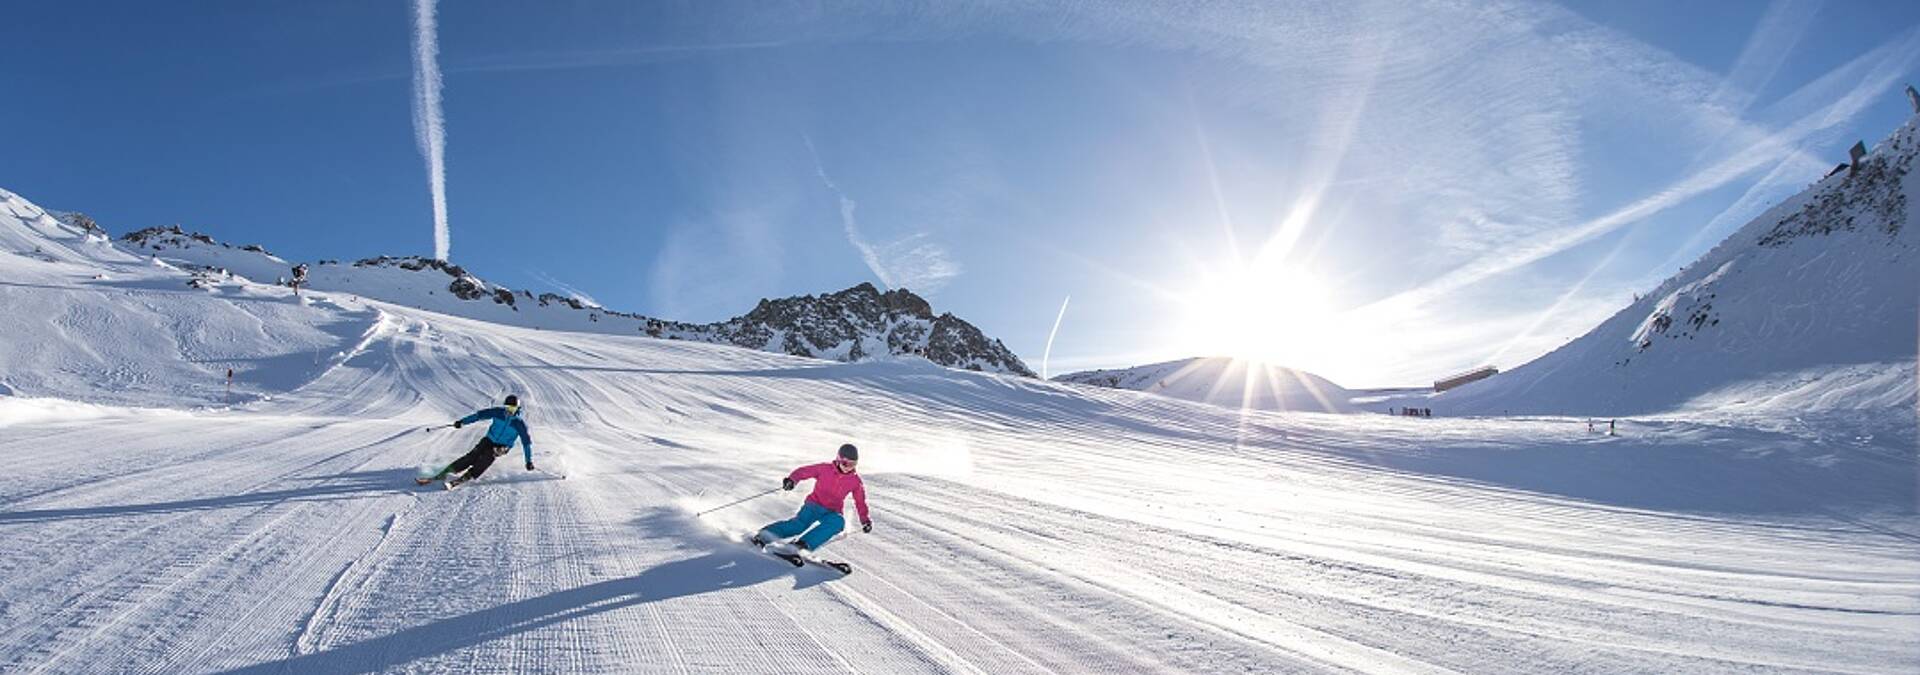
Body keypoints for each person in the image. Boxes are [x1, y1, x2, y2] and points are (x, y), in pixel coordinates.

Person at [752, 443, 872, 553]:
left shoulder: (855, 481)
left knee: (838, 522)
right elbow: (804, 471)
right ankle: (765, 535)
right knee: (799, 526)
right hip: (814, 505)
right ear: (838, 459)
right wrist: (792, 480)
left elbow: (860, 502)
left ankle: (802, 545)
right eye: (846, 463)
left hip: (832, 511)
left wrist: (865, 520)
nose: (849, 467)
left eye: (853, 464)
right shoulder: (825, 469)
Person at [418, 395, 535, 487]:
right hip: (489, 439)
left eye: (512, 408)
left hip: (503, 446)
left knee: (490, 454)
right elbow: (479, 415)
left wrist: (528, 461)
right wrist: (462, 422)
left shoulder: (519, 424)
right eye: (507, 407)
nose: (509, 410)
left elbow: (526, 443)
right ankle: (445, 473)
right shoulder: (498, 413)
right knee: (472, 456)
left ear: (517, 409)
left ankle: (468, 475)